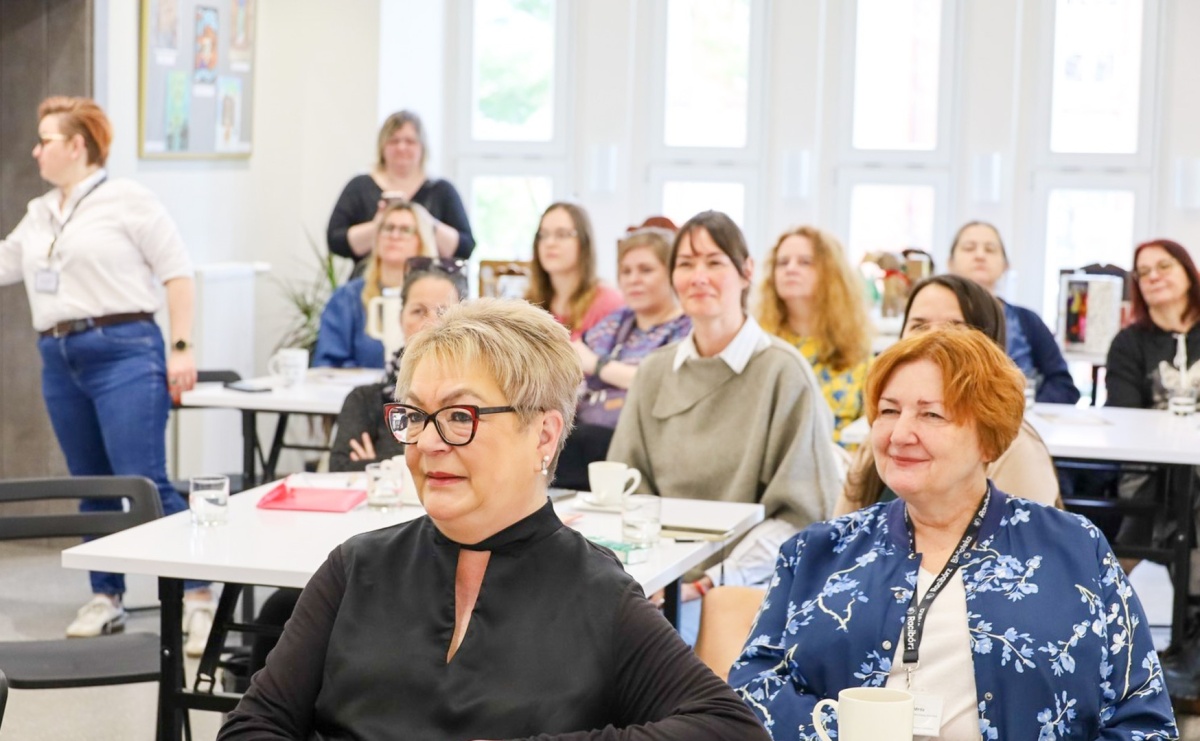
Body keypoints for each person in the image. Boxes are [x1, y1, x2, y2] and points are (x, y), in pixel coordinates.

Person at [219, 299, 770, 740]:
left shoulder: (597, 595)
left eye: (460, 416)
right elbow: (252, 725)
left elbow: (731, 728)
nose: (429, 443)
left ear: (545, 436)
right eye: (414, 415)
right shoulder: (356, 567)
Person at [731, 326, 1177, 740]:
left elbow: (1142, 715)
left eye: (931, 415)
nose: (901, 433)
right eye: (889, 411)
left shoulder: (1073, 549)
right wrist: (843, 729)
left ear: (988, 437)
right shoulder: (820, 551)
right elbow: (751, 685)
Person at [0, 96, 216, 650]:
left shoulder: (126, 199)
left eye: (45, 139)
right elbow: (7, 261)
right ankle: (108, 595)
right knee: (90, 483)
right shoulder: (41, 210)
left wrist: (182, 347)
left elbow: (178, 273)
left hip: (125, 350)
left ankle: (198, 596)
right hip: (59, 356)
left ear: (78, 146)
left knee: (143, 479)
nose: (36, 150)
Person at [606, 210, 841, 634]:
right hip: (658, 585)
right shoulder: (654, 372)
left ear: (746, 271)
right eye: (685, 263)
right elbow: (629, 487)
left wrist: (715, 579)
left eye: (714, 262)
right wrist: (656, 575)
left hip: (749, 591)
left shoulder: (783, 372)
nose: (698, 276)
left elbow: (802, 516)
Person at [836, 275, 1060, 514]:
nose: (932, 339)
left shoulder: (1015, 447)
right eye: (918, 326)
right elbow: (839, 540)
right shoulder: (887, 432)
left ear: (989, 346)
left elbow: (1025, 542)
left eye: (954, 328)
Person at [1105, 239, 1200, 700]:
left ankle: (1189, 644)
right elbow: (1124, 414)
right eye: (1144, 271)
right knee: (1170, 500)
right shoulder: (1129, 342)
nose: (1154, 275)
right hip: (1147, 468)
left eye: (1164, 266)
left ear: (1187, 271)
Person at [555, 222, 692, 489]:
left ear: (672, 273)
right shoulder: (619, 321)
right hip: (583, 431)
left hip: (636, 438)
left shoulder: (686, 326)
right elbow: (571, 359)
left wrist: (598, 365)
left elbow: (656, 380)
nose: (633, 279)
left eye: (646, 270)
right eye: (626, 271)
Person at [328, 261, 469, 472]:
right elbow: (340, 471)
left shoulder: (472, 401)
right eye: (418, 311)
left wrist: (379, 467)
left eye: (443, 312)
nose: (430, 323)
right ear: (400, 318)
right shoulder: (364, 401)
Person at [756, 226, 871, 445]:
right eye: (782, 262)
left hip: (846, 471)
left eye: (805, 262)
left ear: (830, 273)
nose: (790, 269)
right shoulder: (760, 346)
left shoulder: (858, 350)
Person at [946, 220, 1080, 404]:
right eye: (969, 248)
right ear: (950, 263)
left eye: (990, 249)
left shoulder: (1027, 321)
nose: (979, 255)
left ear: (1005, 266)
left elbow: (1063, 385)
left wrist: (1022, 413)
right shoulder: (934, 318)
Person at [326, 110, 474, 269]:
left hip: (427, 285)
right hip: (368, 285)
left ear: (422, 147)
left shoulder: (442, 190)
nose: (401, 147)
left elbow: (465, 247)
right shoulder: (359, 187)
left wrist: (424, 221)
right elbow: (336, 241)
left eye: (410, 141)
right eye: (394, 141)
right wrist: (379, 225)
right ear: (382, 146)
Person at [312, 201, 437, 368]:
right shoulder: (347, 298)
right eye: (388, 228)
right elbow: (327, 364)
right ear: (377, 238)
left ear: (422, 240)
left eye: (405, 230)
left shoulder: (438, 300)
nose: (394, 235)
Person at [525, 201, 625, 341]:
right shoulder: (528, 302)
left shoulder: (609, 303)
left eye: (562, 234)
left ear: (584, 242)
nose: (550, 243)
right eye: (543, 235)